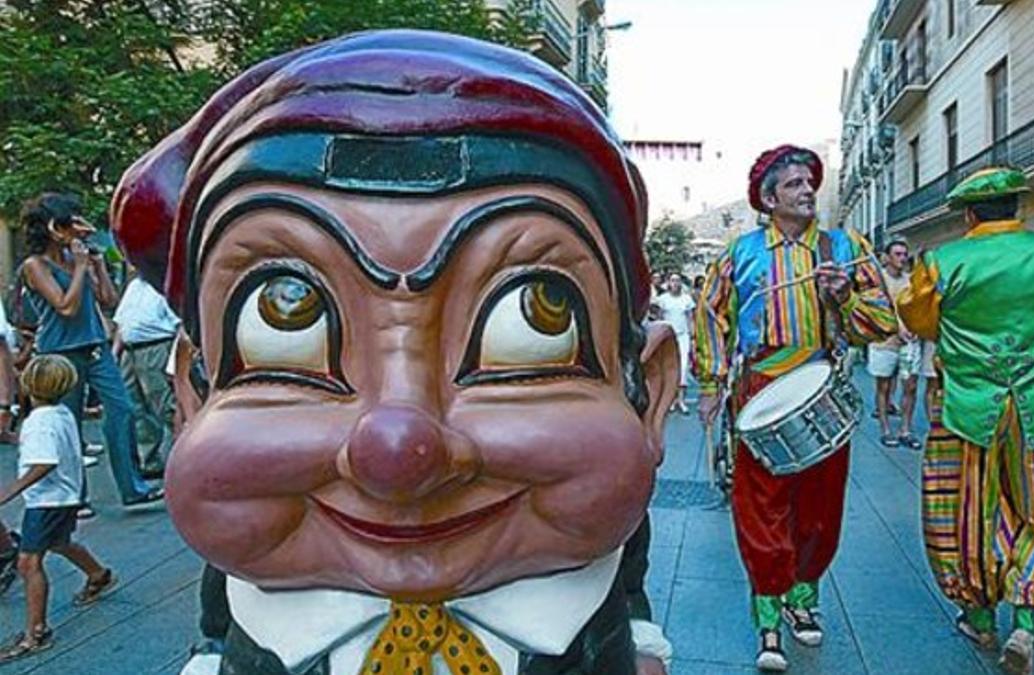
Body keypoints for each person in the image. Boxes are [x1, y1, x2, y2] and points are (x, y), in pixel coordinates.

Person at [113, 30, 677, 675]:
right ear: (193, 398)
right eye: (283, 316)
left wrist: (638, 638)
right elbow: (220, 604)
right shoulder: (259, 601)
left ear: (647, 395)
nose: (399, 449)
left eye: (533, 315)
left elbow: (627, 563)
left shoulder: (589, 610)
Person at [694, 145, 896, 671]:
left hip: (822, 385)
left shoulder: (845, 247)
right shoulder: (737, 253)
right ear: (767, 198)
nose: (808, 191)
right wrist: (712, 383)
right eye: (794, 185)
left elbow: (883, 323)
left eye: (810, 183)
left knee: (819, 511)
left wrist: (847, 295)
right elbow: (712, 315)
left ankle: (803, 599)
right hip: (759, 388)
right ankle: (767, 616)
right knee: (760, 509)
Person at [898, 167, 1034, 674]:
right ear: (1020, 208)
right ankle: (1029, 625)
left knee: (966, 515)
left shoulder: (941, 262)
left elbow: (919, 321)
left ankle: (981, 617)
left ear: (969, 215)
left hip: (966, 411)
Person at [18, 194, 162, 508]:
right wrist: (81, 267)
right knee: (67, 424)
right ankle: (75, 498)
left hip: (95, 345)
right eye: (72, 221)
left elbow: (109, 300)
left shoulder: (77, 258)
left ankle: (132, 487)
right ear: (55, 227)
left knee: (122, 409)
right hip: (60, 352)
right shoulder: (35, 265)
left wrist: (95, 264)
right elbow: (65, 307)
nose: (79, 227)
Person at [0, 354, 117, 663]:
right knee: (59, 542)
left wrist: (10, 491)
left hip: (46, 500)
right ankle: (98, 573)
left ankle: (36, 632)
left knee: (28, 562)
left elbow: (45, 460)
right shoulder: (60, 413)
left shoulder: (39, 421)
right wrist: (13, 438)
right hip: (65, 494)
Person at [112, 267, 182, 477]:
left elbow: (179, 325)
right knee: (136, 407)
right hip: (130, 351)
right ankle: (149, 460)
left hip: (155, 347)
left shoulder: (163, 286)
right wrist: (115, 353)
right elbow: (122, 323)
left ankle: (183, 451)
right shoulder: (134, 286)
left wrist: (173, 361)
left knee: (163, 404)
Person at [867, 240, 921, 448]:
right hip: (883, 342)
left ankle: (906, 429)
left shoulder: (911, 281)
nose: (902, 258)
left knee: (911, 385)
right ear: (888, 257)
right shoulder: (878, 281)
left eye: (904, 254)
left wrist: (916, 327)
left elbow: (916, 307)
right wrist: (897, 328)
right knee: (884, 386)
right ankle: (886, 429)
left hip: (910, 342)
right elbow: (876, 310)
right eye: (897, 254)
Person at [654, 273, 695, 414]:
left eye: (677, 280)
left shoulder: (686, 299)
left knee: (683, 367)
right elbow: (659, 318)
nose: (675, 283)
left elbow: (690, 318)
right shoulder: (663, 300)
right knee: (669, 368)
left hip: (683, 336)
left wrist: (692, 334)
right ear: (668, 283)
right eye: (672, 280)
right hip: (668, 338)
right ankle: (670, 401)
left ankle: (681, 400)